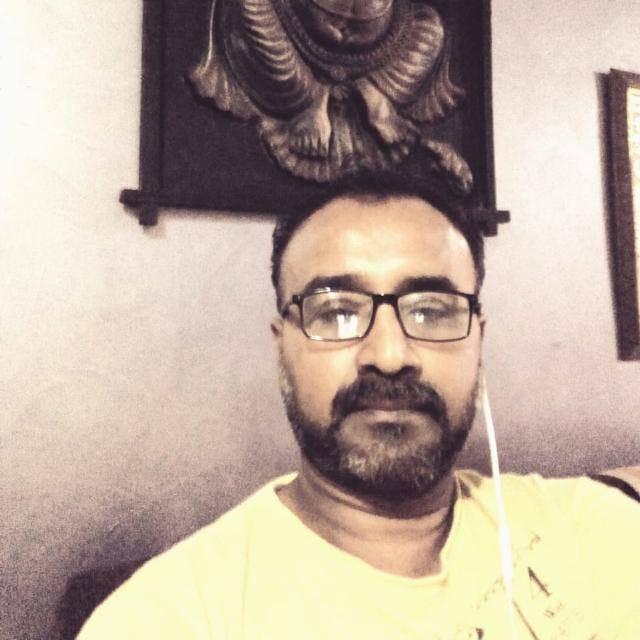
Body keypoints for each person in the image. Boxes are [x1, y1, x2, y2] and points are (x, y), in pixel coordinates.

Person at [78, 176, 640, 639]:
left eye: (431, 310)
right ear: (282, 347)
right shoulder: (163, 619)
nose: (390, 356)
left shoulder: (596, 529)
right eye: (337, 312)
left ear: (478, 338)